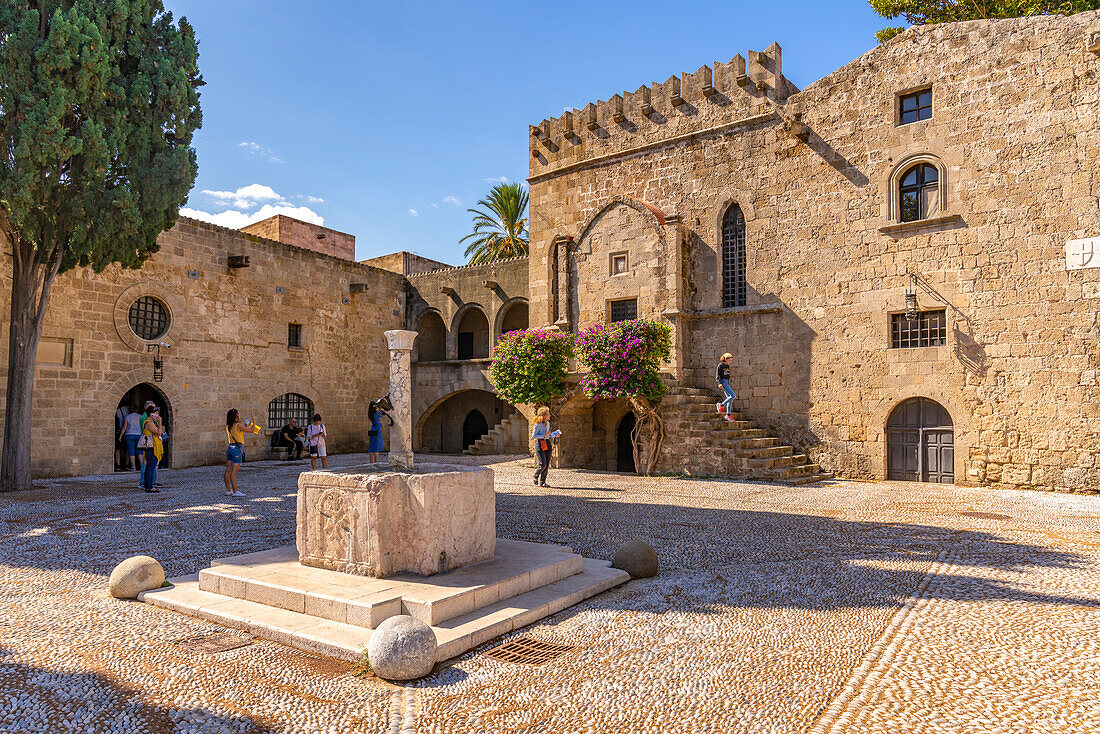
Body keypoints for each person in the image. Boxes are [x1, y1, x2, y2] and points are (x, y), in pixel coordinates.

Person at [224, 408, 261, 497]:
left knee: (228, 470)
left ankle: (228, 490)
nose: (239, 415)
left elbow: (241, 431)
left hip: (230, 447)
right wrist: (254, 421)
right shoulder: (238, 425)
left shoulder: (228, 426)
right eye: (238, 414)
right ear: (236, 416)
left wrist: (246, 426)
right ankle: (236, 491)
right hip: (237, 448)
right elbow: (252, 431)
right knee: (234, 472)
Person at [531, 406, 557, 488]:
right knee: (542, 464)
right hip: (540, 444)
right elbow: (534, 436)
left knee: (547, 464)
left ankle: (543, 482)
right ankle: (536, 475)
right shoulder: (538, 425)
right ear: (544, 416)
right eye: (548, 414)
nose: (549, 415)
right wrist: (543, 435)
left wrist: (555, 434)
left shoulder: (548, 423)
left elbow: (548, 435)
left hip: (547, 443)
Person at [140, 406, 164, 493]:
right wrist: (160, 422)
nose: (157, 415)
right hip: (152, 447)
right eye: (156, 413)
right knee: (151, 467)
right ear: (151, 414)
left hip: (151, 446)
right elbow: (158, 432)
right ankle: (149, 486)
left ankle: (148, 485)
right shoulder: (149, 423)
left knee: (149, 466)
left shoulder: (150, 422)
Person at [119, 405, 143, 473]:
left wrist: (120, 435)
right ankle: (142, 466)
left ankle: (133, 466)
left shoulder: (128, 416)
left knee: (131, 451)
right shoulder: (140, 417)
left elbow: (124, 427)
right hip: (139, 435)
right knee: (140, 451)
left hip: (130, 434)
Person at [716, 352, 737, 422]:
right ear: (725, 359)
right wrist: (719, 383)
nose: (730, 362)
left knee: (730, 399)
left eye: (731, 360)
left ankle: (728, 415)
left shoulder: (727, 366)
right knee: (733, 395)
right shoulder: (720, 365)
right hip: (723, 383)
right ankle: (721, 405)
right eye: (729, 360)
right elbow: (717, 376)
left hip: (727, 382)